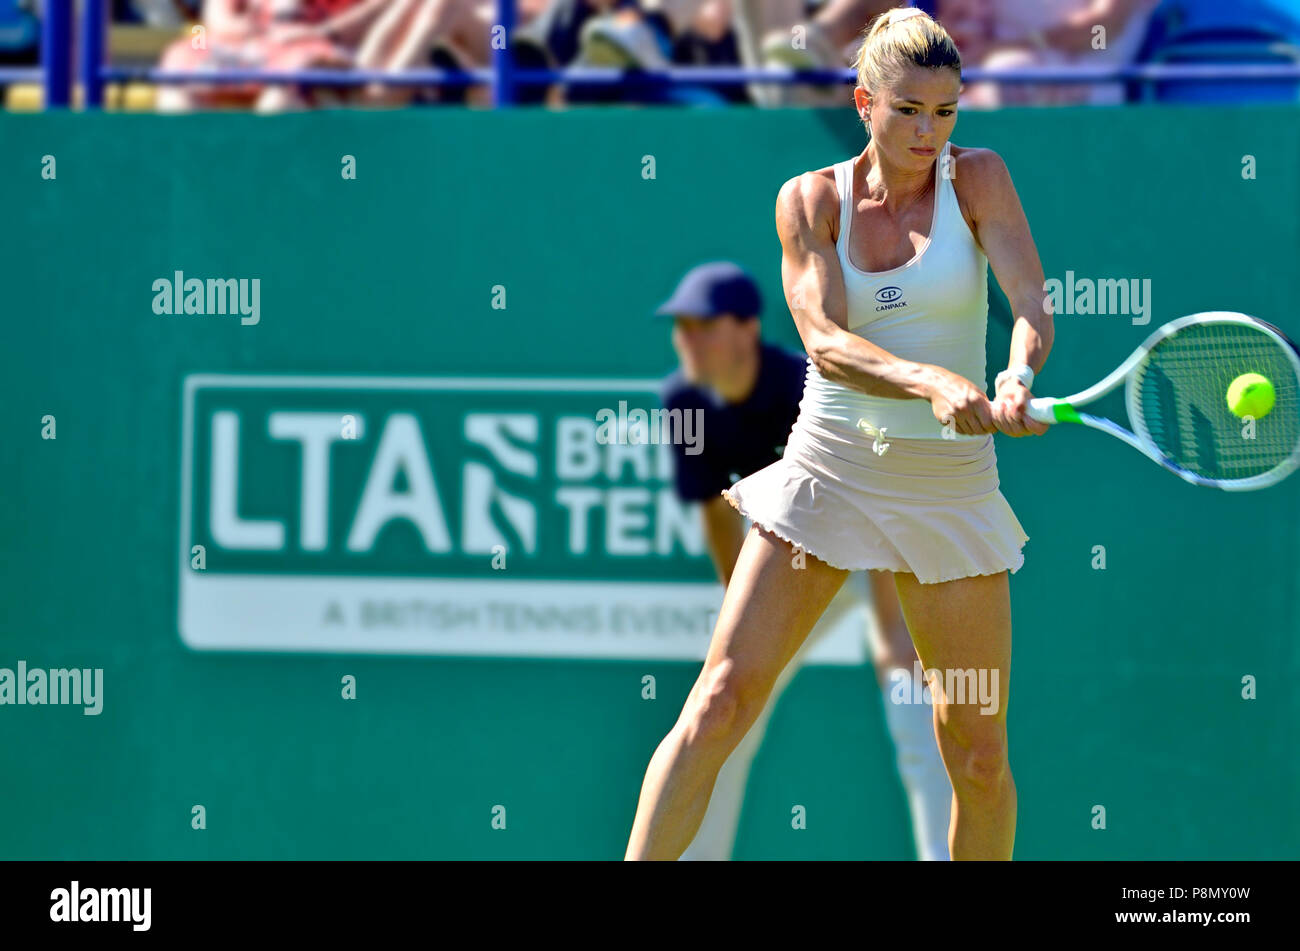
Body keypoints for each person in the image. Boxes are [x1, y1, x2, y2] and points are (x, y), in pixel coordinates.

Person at [625, 5, 1054, 861]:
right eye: (908, 111)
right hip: (829, 474)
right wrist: (930, 378)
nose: (930, 131)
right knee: (718, 703)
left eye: (945, 112)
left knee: (976, 752)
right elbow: (824, 339)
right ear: (864, 102)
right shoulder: (811, 200)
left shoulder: (982, 179)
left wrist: (1016, 373)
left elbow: (1030, 305)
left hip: (950, 490)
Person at [654, 260, 954, 861]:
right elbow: (717, 513)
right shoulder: (684, 402)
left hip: (872, 548)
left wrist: (894, 632)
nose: (686, 339)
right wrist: (739, 622)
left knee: (913, 702)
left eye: (702, 325)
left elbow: (876, 496)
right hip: (784, 561)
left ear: (746, 330)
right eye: (680, 326)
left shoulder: (807, 389)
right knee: (721, 707)